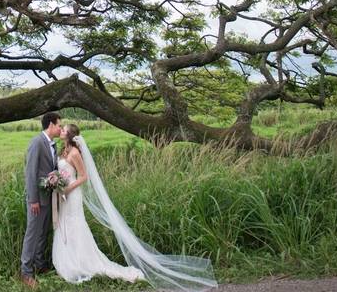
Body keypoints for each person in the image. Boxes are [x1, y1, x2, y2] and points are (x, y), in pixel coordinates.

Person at [51, 123, 218, 291]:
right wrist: (56, 182)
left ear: (71, 135)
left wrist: (67, 188)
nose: (61, 131)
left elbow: (84, 177)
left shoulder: (74, 153)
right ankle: (69, 261)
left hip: (72, 195)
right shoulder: (63, 151)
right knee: (65, 224)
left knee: (76, 225)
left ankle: (81, 263)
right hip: (63, 194)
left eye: (64, 129)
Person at [20, 112, 63, 288]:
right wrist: (33, 200)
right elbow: (30, 173)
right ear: (51, 125)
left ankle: (40, 265)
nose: (60, 128)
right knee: (32, 234)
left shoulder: (52, 144)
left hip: (48, 198)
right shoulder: (37, 142)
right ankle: (26, 272)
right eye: (59, 125)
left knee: (43, 233)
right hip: (37, 199)